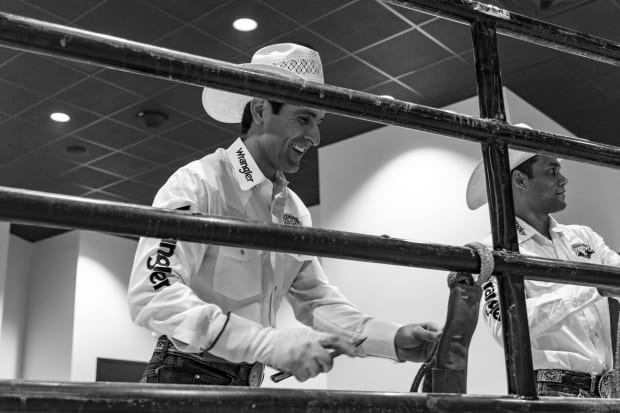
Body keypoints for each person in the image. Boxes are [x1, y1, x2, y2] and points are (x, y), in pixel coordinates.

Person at [128, 43, 440, 387]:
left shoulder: (293, 209)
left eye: (318, 121)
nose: (316, 136)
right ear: (261, 109)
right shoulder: (198, 184)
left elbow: (317, 302)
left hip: (246, 382)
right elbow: (153, 293)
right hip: (185, 376)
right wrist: (266, 342)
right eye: (304, 118)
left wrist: (394, 339)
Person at [466, 124, 620, 397]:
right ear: (520, 180)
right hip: (552, 396)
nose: (563, 180)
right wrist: (593, 286)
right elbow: (506, 329)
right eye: (552, 171)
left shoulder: (584, 237)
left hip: (610, 394)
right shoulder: (493, 251)